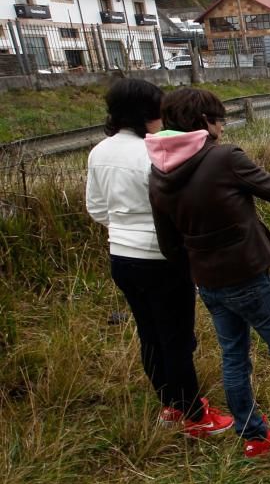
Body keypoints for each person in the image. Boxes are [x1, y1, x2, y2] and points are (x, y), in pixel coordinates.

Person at [145, 88, 270, 469]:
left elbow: (168, 243)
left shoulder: (158, 171)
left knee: (234, 356)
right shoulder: (223, 158)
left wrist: (198, 270)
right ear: (203, 122)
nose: (222, 126)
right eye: (219, 119)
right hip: (248, 278)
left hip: (208, 283)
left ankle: (253, 438)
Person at [86, 79, 234, 437]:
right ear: (147, 113)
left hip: (121, 256)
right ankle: (195, 414)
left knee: (149, 333)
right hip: (160, 258)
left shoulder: (99, 152)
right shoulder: (152, 153)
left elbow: (96, 208)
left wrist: (123, 226)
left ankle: (170, 405)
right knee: (178, 337)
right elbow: (175, 209)